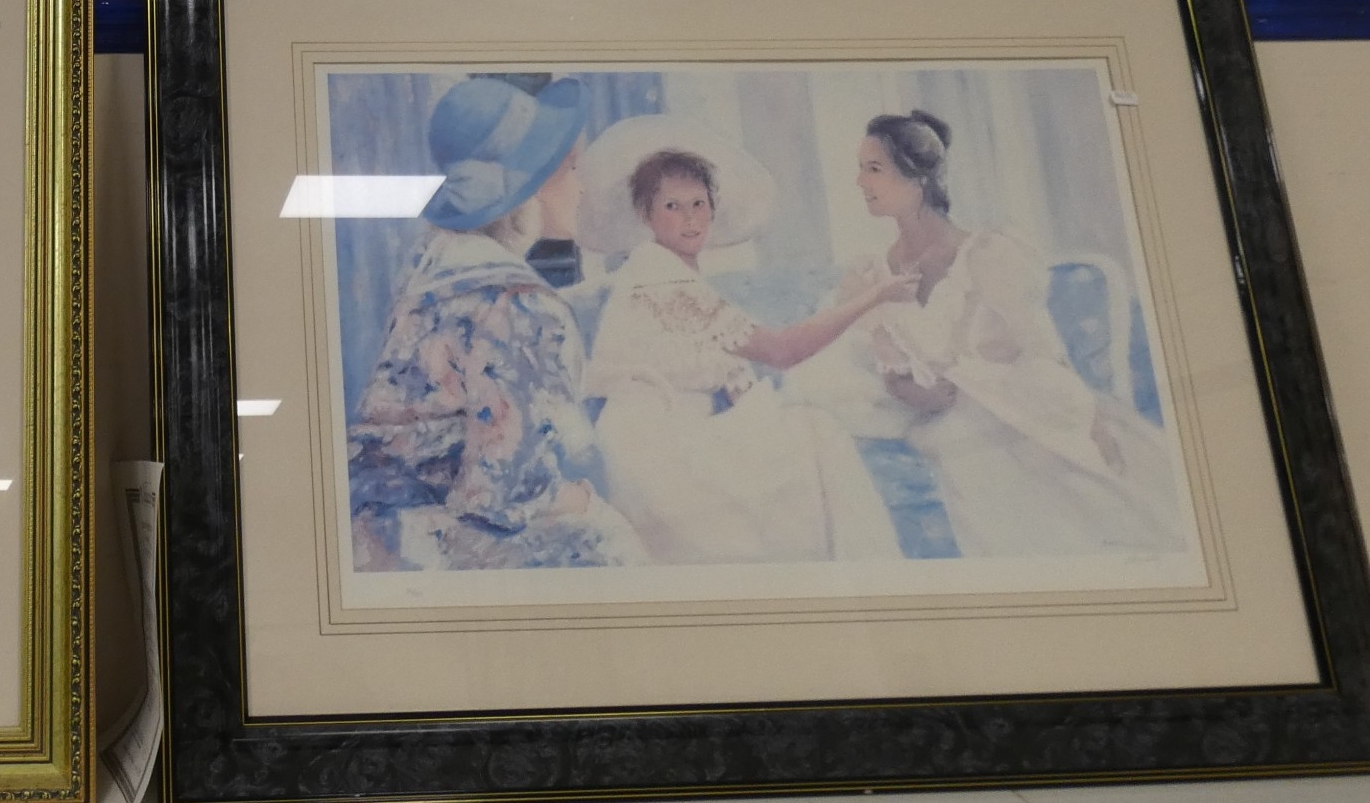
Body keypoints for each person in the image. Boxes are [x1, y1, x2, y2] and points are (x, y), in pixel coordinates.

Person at [843, 110, 1187, 558]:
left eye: (874, 169)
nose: (860, 182)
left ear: (918, 177)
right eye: (861, 169)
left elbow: (1043, 349)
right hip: (947, 415)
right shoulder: (872, 272)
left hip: (1024, 397)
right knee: (961, 441)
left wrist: (1093, 424)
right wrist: (913, 392)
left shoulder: (987, 253)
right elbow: (890, 365)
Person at [348, 76, 645, 572]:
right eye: (573, 169)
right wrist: (589, 501)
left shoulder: (435, 267)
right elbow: (507, 494)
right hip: (436, 541)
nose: (582, 187)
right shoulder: (520, 305)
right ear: (534, 183)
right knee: (617, 544)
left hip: (369, 527)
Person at [580, 120, 911, 564]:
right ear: (647, 214)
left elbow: (736, 379)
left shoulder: (678, 276)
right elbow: (781, 351)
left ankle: (858, 576)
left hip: (677, 435)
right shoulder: (656, 274)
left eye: (699, 204)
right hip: (652, 452)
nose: (690, 218)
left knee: (809, 430)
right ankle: (866, 576)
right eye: (673, 206)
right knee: (818, 435)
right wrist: (875, 296)